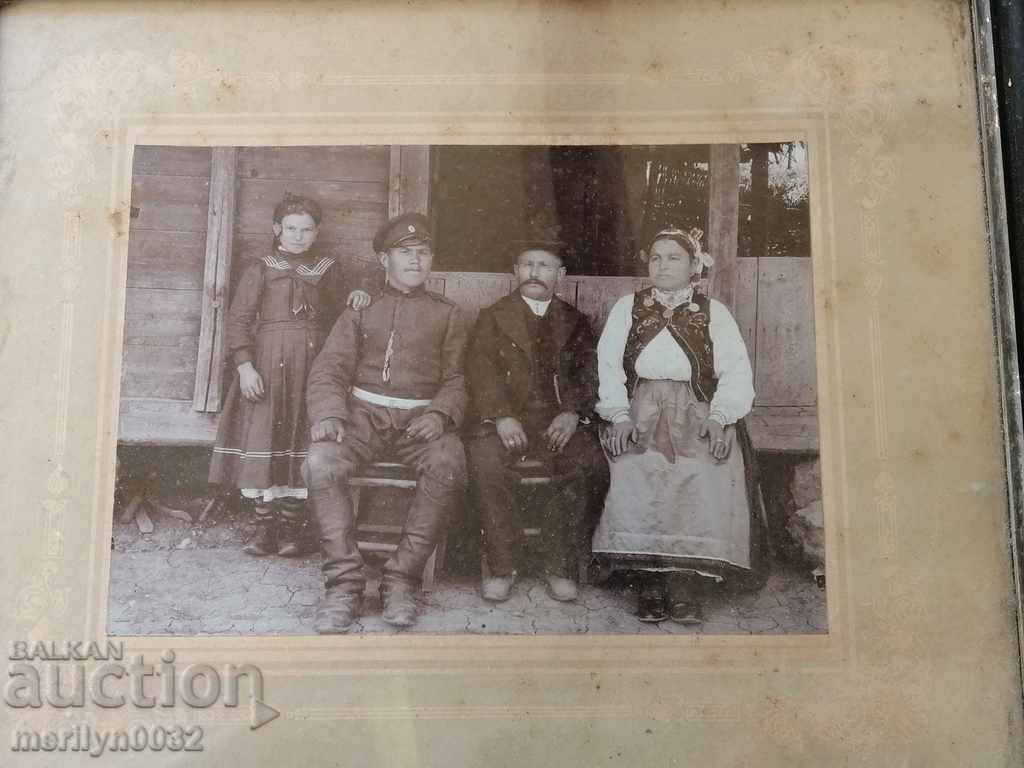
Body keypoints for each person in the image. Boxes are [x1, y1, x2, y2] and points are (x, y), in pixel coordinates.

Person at [302, 212, 469, 633]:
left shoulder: (447, 314)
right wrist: (328, 414)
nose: (416, 261)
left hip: (420, 421)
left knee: (448, 463)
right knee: (320, 463)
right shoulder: (360, 310)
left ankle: (401, 580)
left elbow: (457, 378)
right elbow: (329, 370)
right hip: (362, 418)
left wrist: (440, 413)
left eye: (423, 253)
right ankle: (344, 584)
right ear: (384, 260)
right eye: (405, 253)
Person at [593, 226, 759, 625]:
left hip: (697, 408)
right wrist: (618, 416)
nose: (662, 265)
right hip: (640, 407)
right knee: (635, 470)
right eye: (655, 257)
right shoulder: (627, 308)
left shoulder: (713, 312)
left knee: (703, 471)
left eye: (673, 258)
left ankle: (686, 583)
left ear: (693, 266)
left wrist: (721, 419)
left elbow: (736, 371)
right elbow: (608, 365)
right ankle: (650, 581)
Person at [209, 193, 371, 557]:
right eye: (291, 228)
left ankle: (291, 530)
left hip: (311, 364)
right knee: (265, 437)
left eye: (307, 229)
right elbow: (237, 321)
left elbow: (345, 310)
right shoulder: (262, 268)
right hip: (266, 363)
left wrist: (359, 293)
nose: (298, 236)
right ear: (277, 229)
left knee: (301, 436)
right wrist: (245, 366)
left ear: (317, 232)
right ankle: (263, 529)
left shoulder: (328, 269)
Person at [466, 231, 608, 603]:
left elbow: (588, 374)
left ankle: (558, 563)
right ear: (515, 270)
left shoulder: (574, 321)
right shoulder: (493, 318)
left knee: (590, 466)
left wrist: (572, 412)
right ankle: (503, 565)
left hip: (556, 422)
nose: (534, 271)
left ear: (559, 274)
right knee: (485, 464)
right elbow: (480, 372)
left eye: (543, 265)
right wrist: (500, 416)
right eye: (527, 264)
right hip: (505, 422)